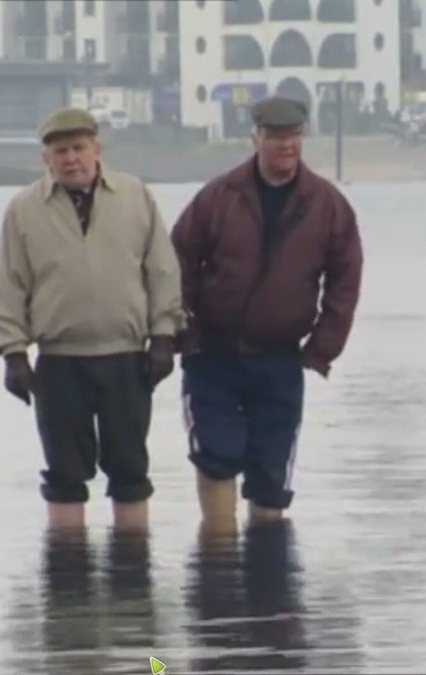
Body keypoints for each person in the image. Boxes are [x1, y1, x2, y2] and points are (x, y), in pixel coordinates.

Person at [171, 96, 364, 533]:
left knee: (270, 476)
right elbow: (176, 260)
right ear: (255, 137)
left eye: (293, 136)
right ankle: (218, 565)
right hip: (212, 355)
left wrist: (322, 348)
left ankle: (269, 583)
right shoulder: (218, 196)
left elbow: (345, 279)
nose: (286, 145)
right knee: (217, 457)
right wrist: (184, 332)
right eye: (275, 136)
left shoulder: (326, 204)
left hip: (281, 357)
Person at [0, 107, 184, 532]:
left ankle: (134, 579)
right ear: (46, 158)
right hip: (59, 362)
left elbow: (162, 270)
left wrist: (165, 337)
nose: (71, 159)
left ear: (97, 149)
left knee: (130, 471)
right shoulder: (23, 210)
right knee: (64, 476)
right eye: (60, 151)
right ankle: (67, 582)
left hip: (127, 358)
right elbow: (9, 284)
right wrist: (13, 353)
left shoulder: (136, 197)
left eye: (79, 148)